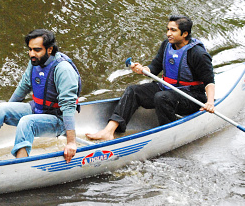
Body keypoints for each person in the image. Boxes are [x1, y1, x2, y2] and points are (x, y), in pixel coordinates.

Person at [86, 15, 216, 141]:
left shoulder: (198, 54)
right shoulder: (167, 45)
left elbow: (209, 81)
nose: (168, 33)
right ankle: (109, 131)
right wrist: (143, 70)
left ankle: (169, 135)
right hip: (167, 89)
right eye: (168, 29)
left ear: (185, 34)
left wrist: (210, 102)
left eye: (173, 30)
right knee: (133, 90)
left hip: (191, 96)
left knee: (162, 97)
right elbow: (155, 66)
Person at [0, 29, 81, 163]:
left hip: (58, 119)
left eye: (37, 50)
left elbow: (68, 106)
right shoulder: (35, 62)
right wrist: (8, 109)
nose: (32, 54)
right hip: (38, 109)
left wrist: (71, 143)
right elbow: (23, 87)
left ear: (49, 49)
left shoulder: (63, 69)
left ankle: (20, 165)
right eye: (30, 49)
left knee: (26, 122)